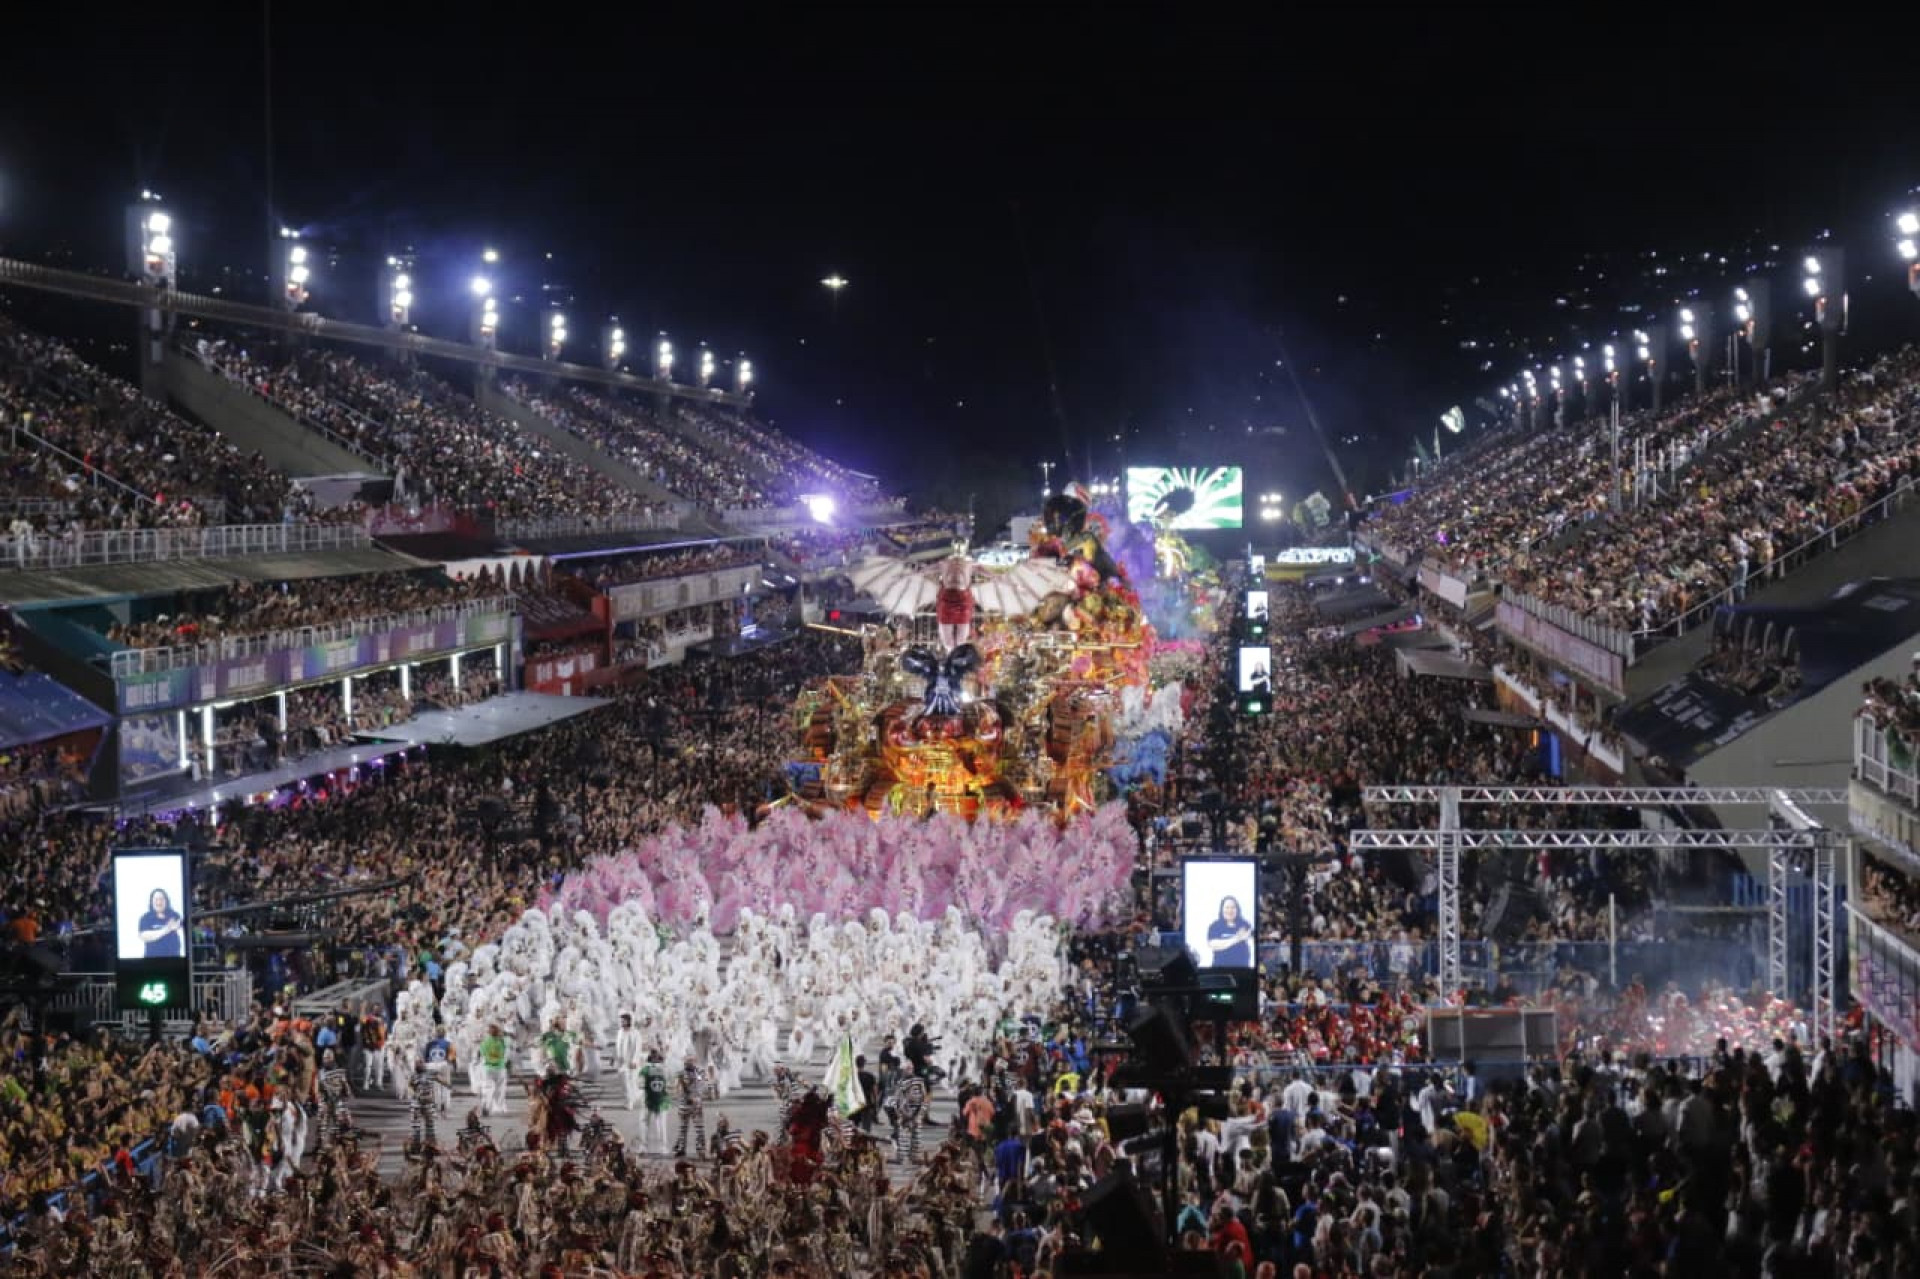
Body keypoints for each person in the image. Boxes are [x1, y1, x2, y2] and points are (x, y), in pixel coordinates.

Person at [1206, 896, 1254, 968]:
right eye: (1227, 907)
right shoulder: (1215, 925)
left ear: (1237, 909)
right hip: (1220, 968)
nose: (1230, 910)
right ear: (1222, 909)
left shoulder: (1244, 924)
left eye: (1233, 907)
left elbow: (1251, 939)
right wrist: (1237, 938)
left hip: (1242, 968)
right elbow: (1213, 945)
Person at [137, 887, 184, 958]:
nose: (159, 902)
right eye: (156, 899)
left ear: (166, 901)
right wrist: (166, 929)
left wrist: (177, 926)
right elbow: (144, 936)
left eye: (161, 899)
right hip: (152, 960)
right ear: (151, 902)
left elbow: (180, 928)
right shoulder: (145, 917)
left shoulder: (174, 915)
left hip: (174, 959)